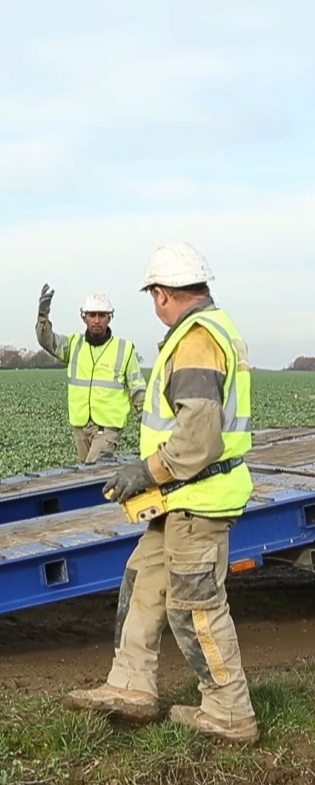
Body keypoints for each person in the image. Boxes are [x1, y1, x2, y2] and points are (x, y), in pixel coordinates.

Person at [63, 242, 258, 744]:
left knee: (195, 607)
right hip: (179, 498)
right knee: (143, 583)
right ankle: (131, 686)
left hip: (198, 497)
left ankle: (229, 712)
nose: (155, 304)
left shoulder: (195, 340)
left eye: (154, 294)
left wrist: (144, 472)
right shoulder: (209, 331)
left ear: (165, 293)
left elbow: (198, 439)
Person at [36, 286, 146, 464]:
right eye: (92, 315)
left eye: (102, 315)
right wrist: (43, 317)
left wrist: (148, 425)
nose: (96, 320)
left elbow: (138, 390)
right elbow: (47, 341)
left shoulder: (124, 349)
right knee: (87, 474)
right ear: (83, 317)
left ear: (109, 318)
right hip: (80, 425)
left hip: (108, 427)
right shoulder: (73, 344)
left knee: (92, 468)